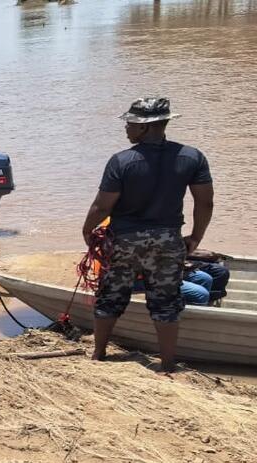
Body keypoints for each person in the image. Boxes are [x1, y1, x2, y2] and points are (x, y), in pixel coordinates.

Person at [82, 98, 213, 372]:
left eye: (130, 123)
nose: (126, 128)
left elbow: (103, 205)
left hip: (124, 241)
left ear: (144, 128)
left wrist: (87, 229)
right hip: (168, 241)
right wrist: (195, 237)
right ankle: (167, 364)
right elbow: (205, 202)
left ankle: (99, 354)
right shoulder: (192, 157)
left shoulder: (122, 161)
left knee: (111, 296)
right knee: (166, 301)